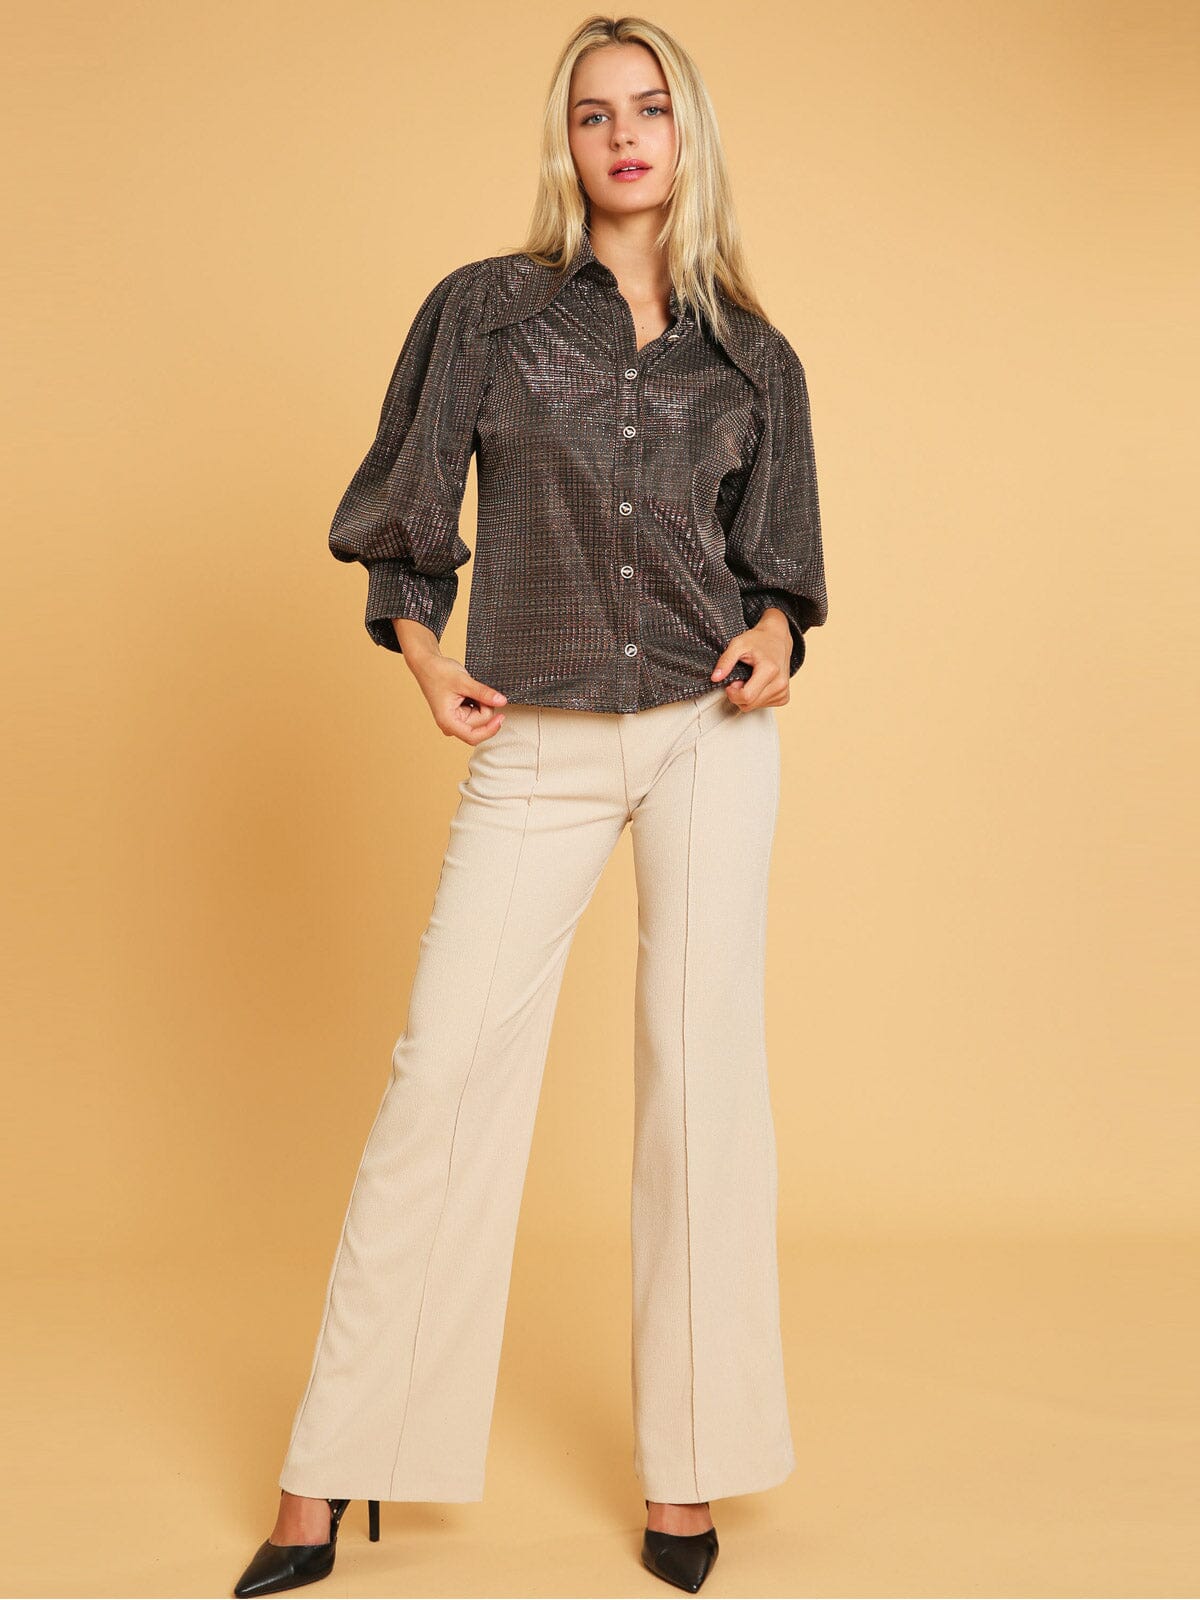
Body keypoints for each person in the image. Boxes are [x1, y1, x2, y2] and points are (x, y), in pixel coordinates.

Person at [232, 14, 828, 1597]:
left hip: (708, 733)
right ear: (565, 144)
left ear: (688, 135)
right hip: (538, 738)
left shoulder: (753, 355)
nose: (623, 136)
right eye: (592, 114)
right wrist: (427, 661)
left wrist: (776, 635)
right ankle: (332, 1466)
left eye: (649, 109)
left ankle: (687, 1472)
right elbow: (409, 510)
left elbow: (781, 570)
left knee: (703, 1086)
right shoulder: (487, 311)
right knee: (443, 1078)